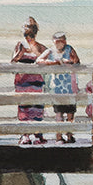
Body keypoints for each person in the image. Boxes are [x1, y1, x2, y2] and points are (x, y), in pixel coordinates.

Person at [37, 31, 81, 144]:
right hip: (57, 87)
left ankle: (69, 135)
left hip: (70, 86)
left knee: (70, 113)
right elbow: (39, 60)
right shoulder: (51, 51)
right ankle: (59, 137)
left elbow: (77, 61)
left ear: (64, 41)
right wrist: (53, 63)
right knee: (59, 113)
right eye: (56, 42)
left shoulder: (69, 49)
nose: (58, 45)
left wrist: (68, 62)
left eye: (60, 42)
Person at [11, 17, 46, 145]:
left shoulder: (39, 47)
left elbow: (48, 56)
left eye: (31, 31)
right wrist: (19, 55)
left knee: (36, 106)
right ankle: (26, 134)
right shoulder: (20, 45)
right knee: (24, 106)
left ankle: (36, 134)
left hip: (35, 79)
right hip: (23, 80)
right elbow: (13, 61)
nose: (29, 34)